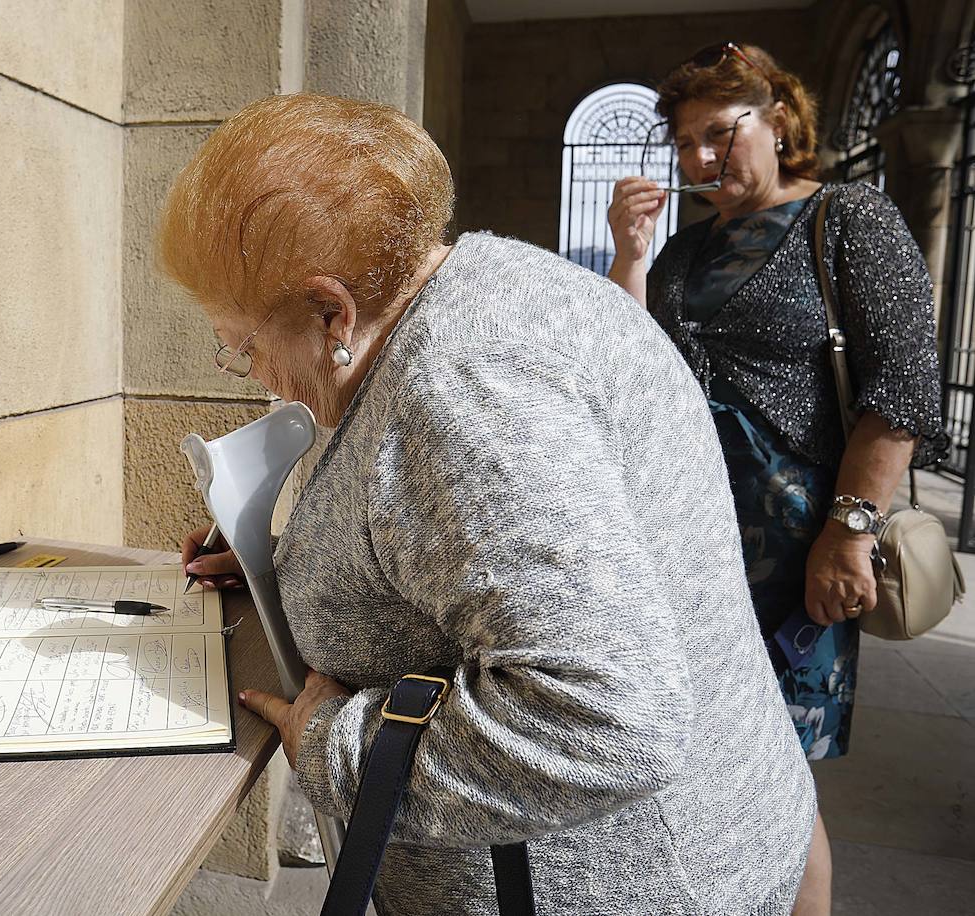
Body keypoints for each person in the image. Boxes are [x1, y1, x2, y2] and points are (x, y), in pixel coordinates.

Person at [160, 92, 815, 915]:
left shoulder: (460, 387)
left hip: (636, 881)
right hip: (700, 836)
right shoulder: (479, 286)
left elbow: (606, 722)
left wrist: (336, 753)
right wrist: (285, 562)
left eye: (244, 345)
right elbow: (452, 534)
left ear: (334, 311)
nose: (250, 372)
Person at [605, 42, 947, 916]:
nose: (699, 160)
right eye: (683, 144)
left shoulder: (850, 220)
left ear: (780, 120)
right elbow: (629, 372)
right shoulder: (682, 253)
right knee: (694, 766)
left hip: (801, 552)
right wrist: (633, 257)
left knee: (777, 779)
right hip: (689, 547)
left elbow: (901, 388)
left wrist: (849, 531)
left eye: (719, 133)